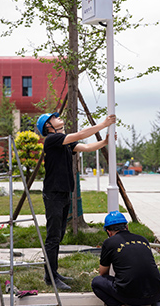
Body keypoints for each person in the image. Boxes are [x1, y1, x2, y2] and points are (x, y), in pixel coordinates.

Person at [36, 112, 116, 290]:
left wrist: (104, 142)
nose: (59, 117)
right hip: (54, 194)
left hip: (64, 194)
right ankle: (50, 277)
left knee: (59, 235)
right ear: (48, 127)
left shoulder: (65, 141)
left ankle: (53, 272)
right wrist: (103, 124)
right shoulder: (51, 140)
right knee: (53, 237)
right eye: (54, 118)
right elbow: (80, 135)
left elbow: (85, 147)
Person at [92, 211, 160, 306]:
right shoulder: (143, 239)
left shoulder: (109, 242)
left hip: (130, 296)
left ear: (108, 232)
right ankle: (156, 303)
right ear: (127, 227)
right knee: (151, 279)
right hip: (157, 292)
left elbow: (103, 273)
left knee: (96, 282)